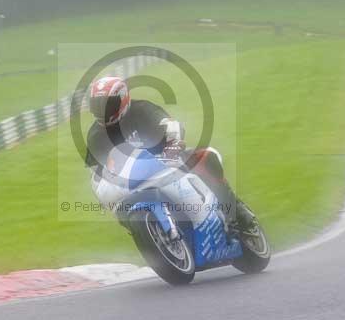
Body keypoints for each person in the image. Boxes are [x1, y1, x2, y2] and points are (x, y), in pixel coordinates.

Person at [84, 76, 257, 233]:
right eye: (97, 105)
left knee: (206, 157)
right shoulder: (95, 136)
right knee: (116, 204)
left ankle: (236, 212)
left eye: (108, 105)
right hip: (132, 180)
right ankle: (144, 229)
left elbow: (169, 124)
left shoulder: (142, 109)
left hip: (166, 159)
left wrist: (174, 142)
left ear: (123, 99)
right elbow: (95, 171)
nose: (102, 111)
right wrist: (103, 192)